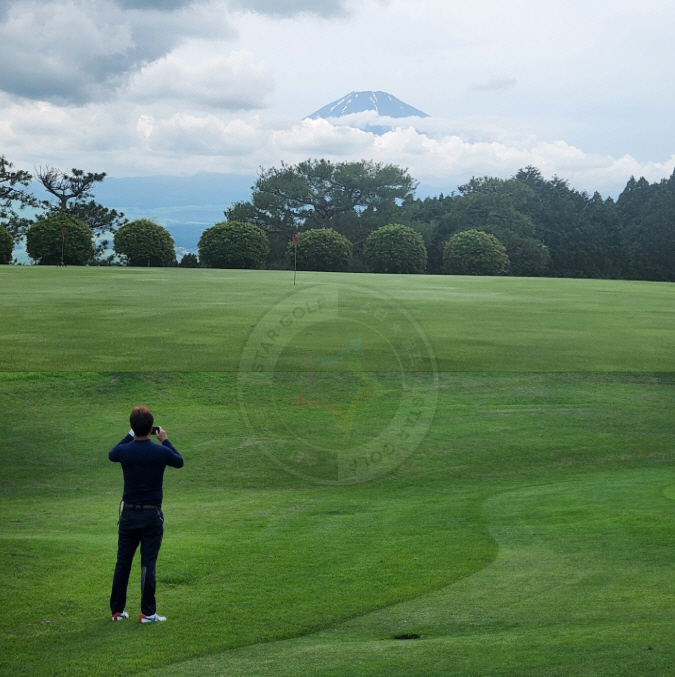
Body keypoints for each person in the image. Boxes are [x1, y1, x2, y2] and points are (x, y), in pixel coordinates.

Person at [109, 405, 184, 623]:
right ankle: (147, 613)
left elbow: (112, 453)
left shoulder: (125, 451)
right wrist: (165, 440)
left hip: (129, 514)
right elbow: (179, 461)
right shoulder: (160, 452)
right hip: (151, 515)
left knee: (123, 562)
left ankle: (117, 611)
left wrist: (130, 434)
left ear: (132, 427)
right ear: (152, 427)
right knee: (147, 564)